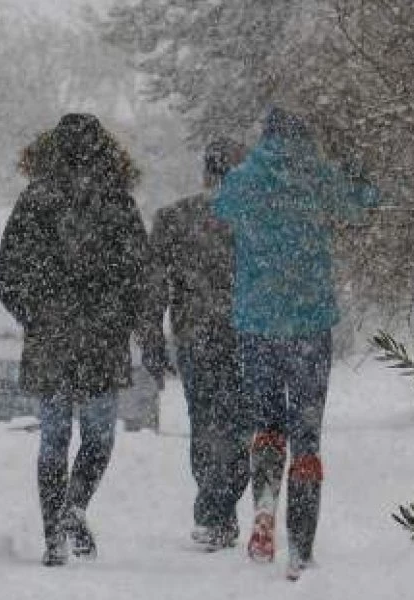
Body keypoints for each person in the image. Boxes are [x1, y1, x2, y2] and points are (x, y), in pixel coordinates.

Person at [213, 107, 377, 577]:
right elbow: (361, 204)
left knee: (266, 422)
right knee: (307, 436)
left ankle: (264, 505)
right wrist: (356, 172)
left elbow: (221, 207)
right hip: (308, 326)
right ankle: (301, 549)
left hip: (257, 326)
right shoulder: (315, 175)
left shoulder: (245, 177)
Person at [0, 113, 163, 567]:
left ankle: (54, 533)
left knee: (53, 438)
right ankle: (75, 506)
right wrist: (140, 326)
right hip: (102, 337)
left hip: (50, 335)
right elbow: (141, 273)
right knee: (98, 435)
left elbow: (7, 270)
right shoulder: (117, 202)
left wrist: (33, 313)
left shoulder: (34, 200)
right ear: (106, 150)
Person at [150, 138, 250, 551]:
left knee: (205, 421)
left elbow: (154, 285)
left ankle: (214, 511)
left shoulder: (174, 217)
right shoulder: (256, 218)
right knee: (240, 423)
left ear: (205, 171)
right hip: (247, 336)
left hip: (195, 335)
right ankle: (221, 505)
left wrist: (153, 336)